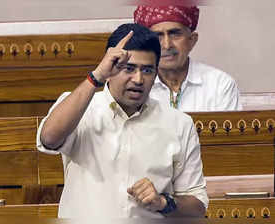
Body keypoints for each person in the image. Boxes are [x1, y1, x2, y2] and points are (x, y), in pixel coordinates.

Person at [37, 23, 208, 219]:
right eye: (128, 68)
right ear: (109, 68)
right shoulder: (81, 107)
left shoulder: (179, 124)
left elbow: (198, 206)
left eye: (147, 70)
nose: (138, 79)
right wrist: (97, 76)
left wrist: (163, 202)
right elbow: (49, 138)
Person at [134, 5, 243, 111]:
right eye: (157, 36)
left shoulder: (219, 85)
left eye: (175, 34)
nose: (167, 45)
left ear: (192, 40)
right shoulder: (134, 86)